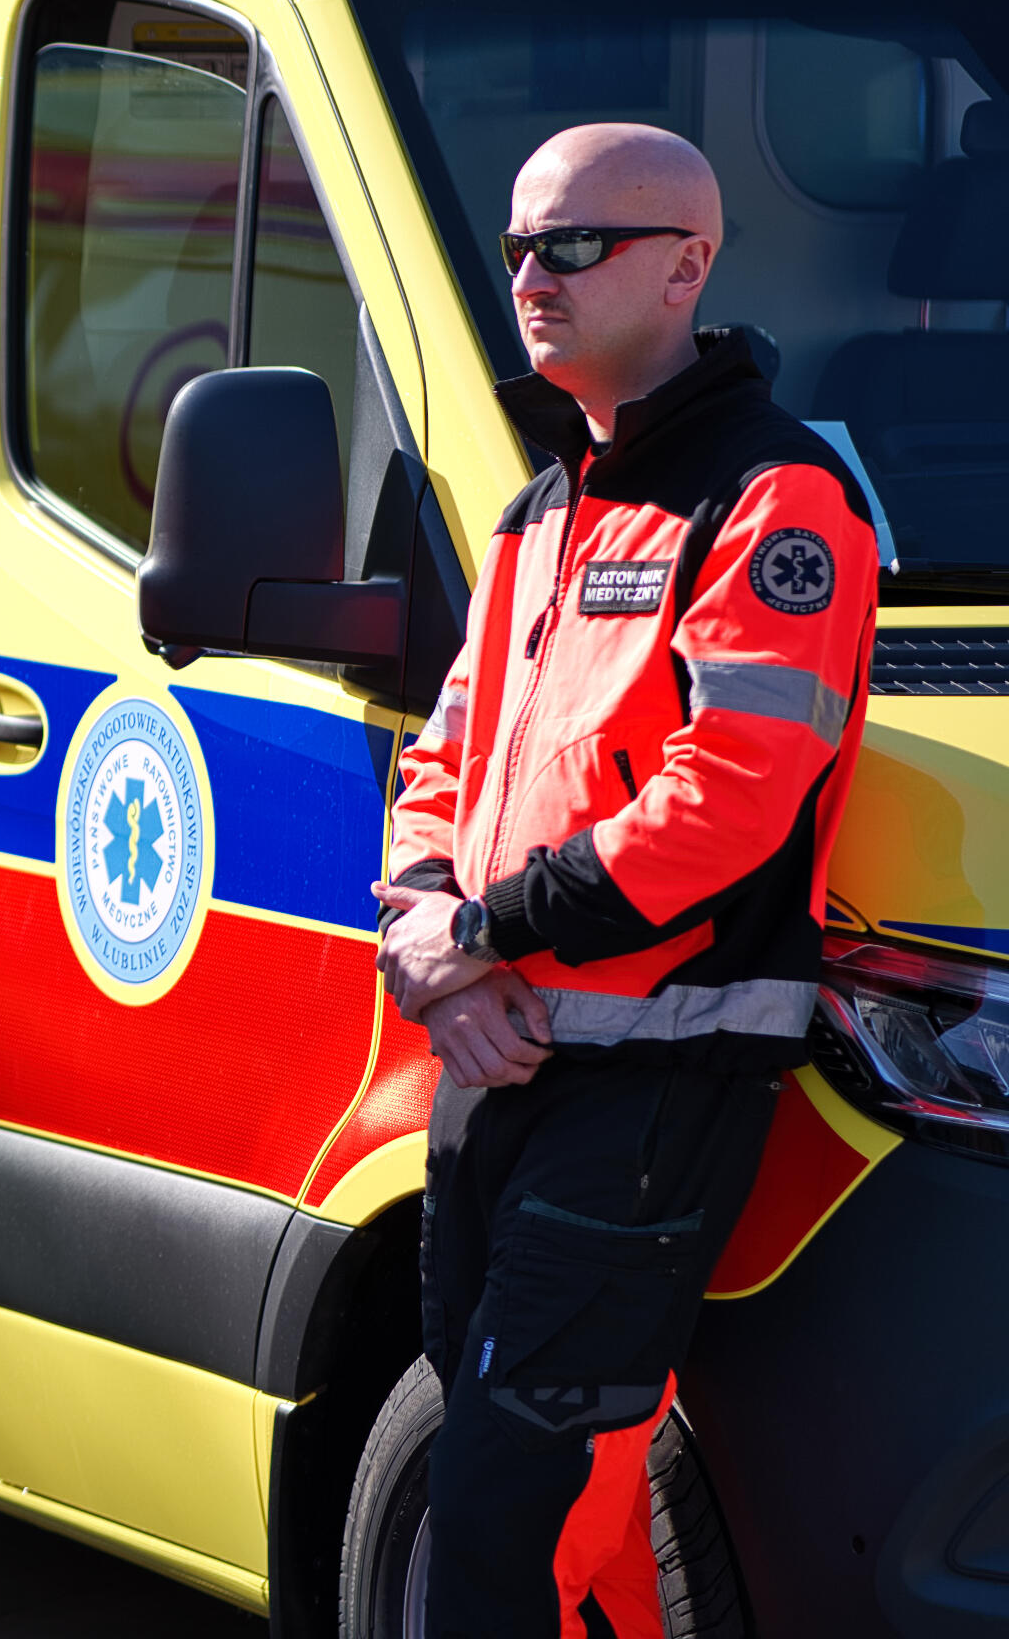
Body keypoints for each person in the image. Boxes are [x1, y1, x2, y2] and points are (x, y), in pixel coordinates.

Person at [374, 124, 881, 1638]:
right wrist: (426, 942)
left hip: (649, 1090)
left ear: (687, 267)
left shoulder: (775, 499)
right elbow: (441, 760)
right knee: (544, 1524)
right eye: (520, 246)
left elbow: (727, 806)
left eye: (575, 244)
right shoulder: (543, 507)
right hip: (499, 1069)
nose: (533, 275)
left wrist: (483, 935)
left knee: (503, 1527)